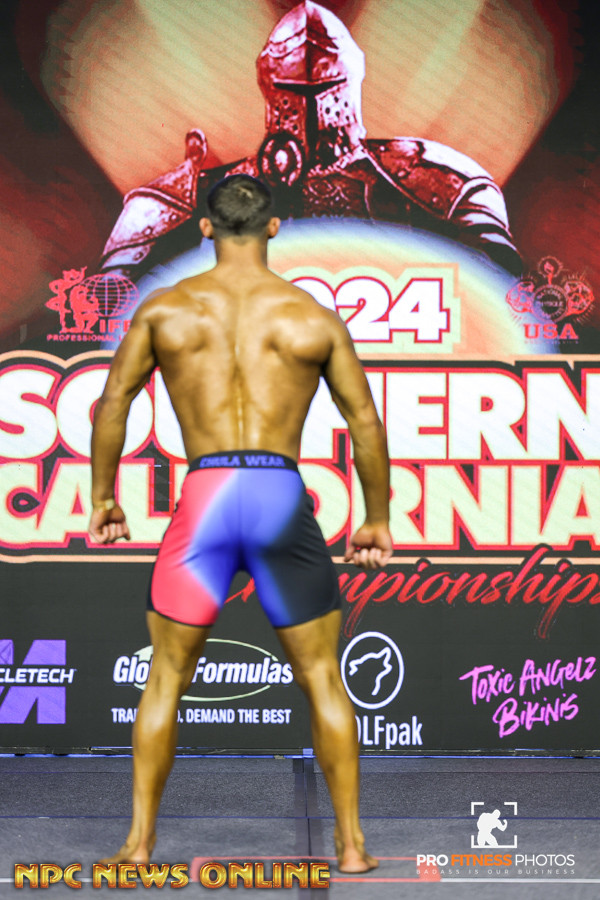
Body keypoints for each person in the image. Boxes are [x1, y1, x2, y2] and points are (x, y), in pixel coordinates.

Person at [89, 173, 392, 873]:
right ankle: (351, 847)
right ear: (274, 227)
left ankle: (138, 845)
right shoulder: (312, 317)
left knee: (166, 676)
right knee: (323, 676)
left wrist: (104, 497)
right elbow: (365, 421)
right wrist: (376, 518)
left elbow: (114, 402)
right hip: (279, 493)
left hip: (207, 497)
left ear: (204, 227)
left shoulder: (166, 310)